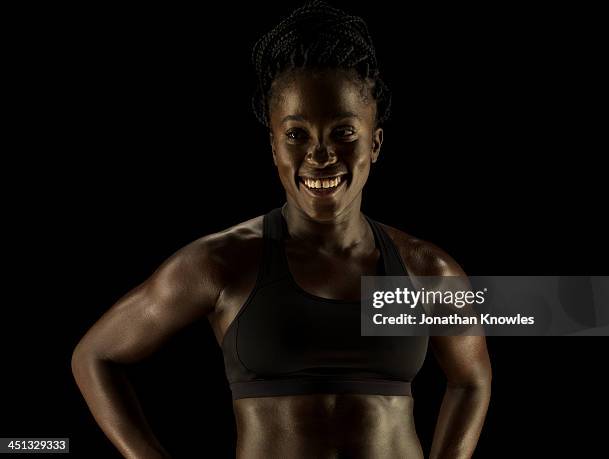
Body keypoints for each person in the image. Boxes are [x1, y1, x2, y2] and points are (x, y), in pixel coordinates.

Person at [71, 2, 492, 458]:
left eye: (343, 132)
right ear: (273, 146)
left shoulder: (425, 271)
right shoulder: (223, 263)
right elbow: (95, 357)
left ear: (374, 142)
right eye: (296, 135)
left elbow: (471, 380)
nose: (320, 154)